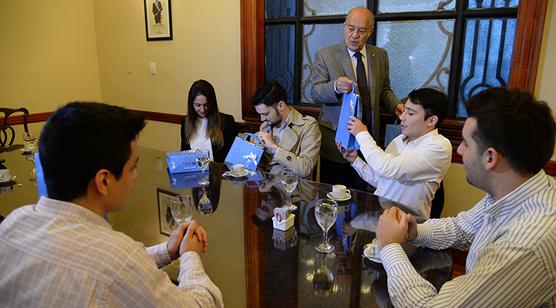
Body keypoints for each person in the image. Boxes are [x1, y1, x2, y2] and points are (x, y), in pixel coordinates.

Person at [0, 102, 223, 307]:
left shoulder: (13, 223)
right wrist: (189, 256)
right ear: (104, 181)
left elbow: (109, 265)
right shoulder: (116, 257)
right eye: (132, 167)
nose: (135, 176)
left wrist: (168, 250)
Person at [376, 87, 556, 307]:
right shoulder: (519, 187)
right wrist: (415, 231)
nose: (459, 151)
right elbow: (462, 228)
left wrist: (390, 246)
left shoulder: (524, 245)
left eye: (465, 143)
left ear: (490, 157)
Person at [311, 6, 404, 187]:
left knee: (365, 194)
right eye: (351, 28)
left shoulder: (380, 56)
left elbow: (384, 90)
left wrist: (395, 105)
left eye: (361, 30)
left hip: (369, 137)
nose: (355, 35)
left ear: (370, 31)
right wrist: (335, 86)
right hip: (338, 139)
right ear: (344, 27)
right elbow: (314, 92)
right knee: (335, 195)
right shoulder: (325, 55)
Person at [337, 88, 452, 221]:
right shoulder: (400, 139)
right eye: (404, 111)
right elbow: (381, 180)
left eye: (410, 113)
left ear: (431, 121)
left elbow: (387, 168)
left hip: (408, 225)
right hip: (381, 215)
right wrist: (355, 160)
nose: (402, 117)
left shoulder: (440, 146)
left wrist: (362, 134)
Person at [252, 80, 321, 178]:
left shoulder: (308, 126)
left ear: (281, 105)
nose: (262, 119)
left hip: (292, 188)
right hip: (263, 186)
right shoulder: (265, 126)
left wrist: (273, 147)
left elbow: (306, 169)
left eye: (265, 114)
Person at [181, 79, 238, 163]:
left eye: (206, 105)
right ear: (191, 104)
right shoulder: (185, 122)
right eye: (198, 105)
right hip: (193, 174)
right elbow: (183, 153)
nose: (202, 109)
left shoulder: (227, 122)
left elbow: (234, 156)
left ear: (212, 103)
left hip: (219, 173)